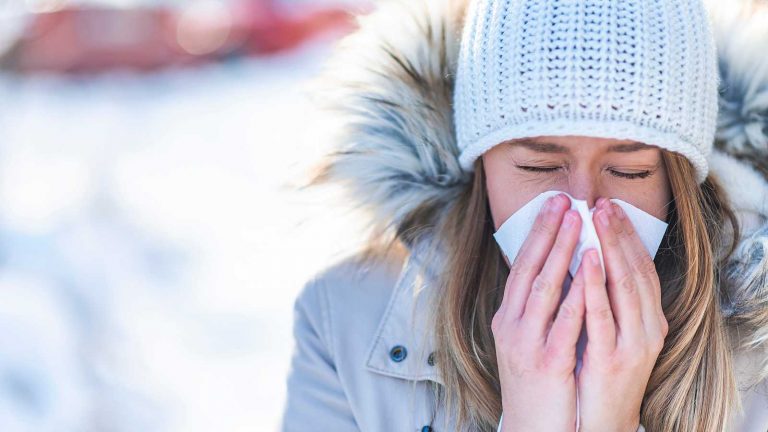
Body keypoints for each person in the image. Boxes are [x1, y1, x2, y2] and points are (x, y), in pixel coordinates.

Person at [280, 0, 768, 430]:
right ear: (481, 166)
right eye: (540, 165)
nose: (582, 209)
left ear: (676, 182)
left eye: (629, 170)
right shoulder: (344, 323)